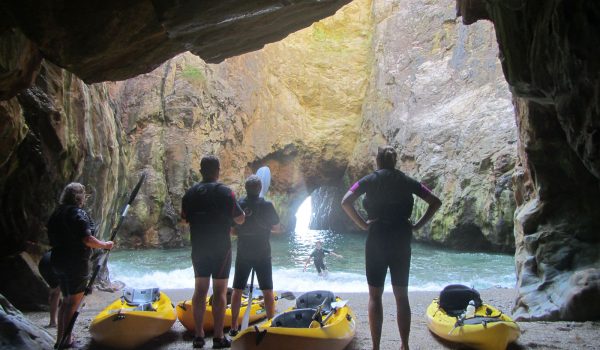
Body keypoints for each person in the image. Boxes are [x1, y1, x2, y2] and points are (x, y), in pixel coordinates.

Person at [341, 146, 441, 350]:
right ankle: (404, 345)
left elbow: (346, 201)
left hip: (377, 239)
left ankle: (376, 347)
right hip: (401, 239)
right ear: (394, 162)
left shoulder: (368, 180)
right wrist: (417, 225)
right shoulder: (407, 181)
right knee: (401, 296)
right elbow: (435, 201)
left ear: (377, 161)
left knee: (375, 296)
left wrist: (362, 224)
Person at [181, 155, 245, 349]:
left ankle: (199, 336)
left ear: (201, 171)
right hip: (221, 248)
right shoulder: (226, 193)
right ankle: (218, 337)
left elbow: (184, 220)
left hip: (199, 246)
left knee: (200, 290)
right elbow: (240, 218)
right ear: (218, 171)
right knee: (219, 292)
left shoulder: (190, 193)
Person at [47, 182, 114, 348]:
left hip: (57, 260)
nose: (85, 198)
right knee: (73, 302)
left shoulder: (57, 213)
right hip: (74, 262)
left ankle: (61, 339)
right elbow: (87, 239)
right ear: (79, 197)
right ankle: (66, 340)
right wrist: (105, 245)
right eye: (83, 195)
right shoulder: (78, 214)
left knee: (66, 300)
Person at [228, 175, 281, 336]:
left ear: (246, 188)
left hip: (244, 252)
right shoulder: (267, 205)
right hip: (263, 252)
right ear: (260, 188)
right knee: (267, 290)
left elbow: (232, 230)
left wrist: (243, 231)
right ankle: (271, 323)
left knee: (237, 289)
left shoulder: (239, 204)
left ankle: (233, 327)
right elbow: (277, 228)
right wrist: (265, 229)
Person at [38, 250, 61, 328]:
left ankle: (53, 321)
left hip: (44, 262)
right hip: (54, 263)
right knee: (64, 293)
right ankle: (58, 322)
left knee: (55, 291)